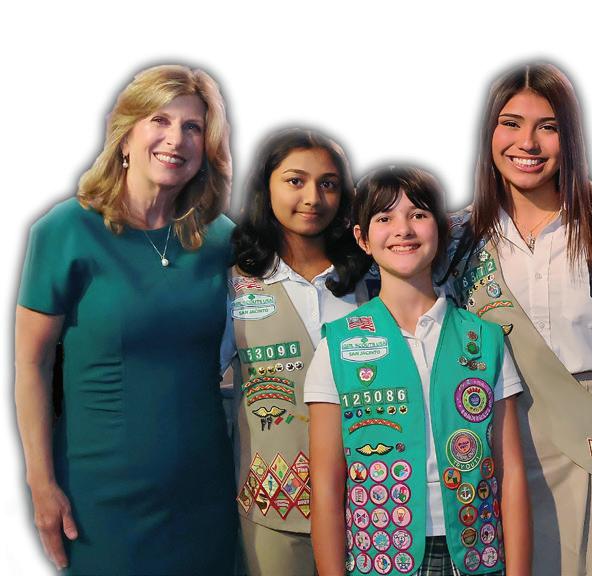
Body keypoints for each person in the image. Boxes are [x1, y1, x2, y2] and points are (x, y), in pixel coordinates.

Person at [14, 64, 237, 575]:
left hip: (204, 489)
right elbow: (31, 365)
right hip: (100, 497)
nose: (175, 139)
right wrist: (40, 483)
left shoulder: (222, 238)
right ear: (125, 134)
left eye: (193, 127)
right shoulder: (66, 230)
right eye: (160, 120)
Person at [444, 62, 592, 575]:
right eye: (511, 124)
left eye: (548, 126)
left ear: (571, 137)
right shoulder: (459, 237)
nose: (528, 143)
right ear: (489, 132)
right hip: (501, 437)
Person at [306, 166, 531, 575]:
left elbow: (511, 471)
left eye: (418, 214)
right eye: (384, 218)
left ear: (441, 230)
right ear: (362, 238)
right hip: (378, 556)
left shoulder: (485, 340)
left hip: (476, 554)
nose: (403, 229)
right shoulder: (336, 346)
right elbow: (325, 486)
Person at [226, 127, 370, 575]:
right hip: (272, 509)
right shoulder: (234, 283)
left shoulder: (371, 279)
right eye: (295, 181)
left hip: (372, 506)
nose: (313, 198)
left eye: (328, 184)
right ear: (264, 186)